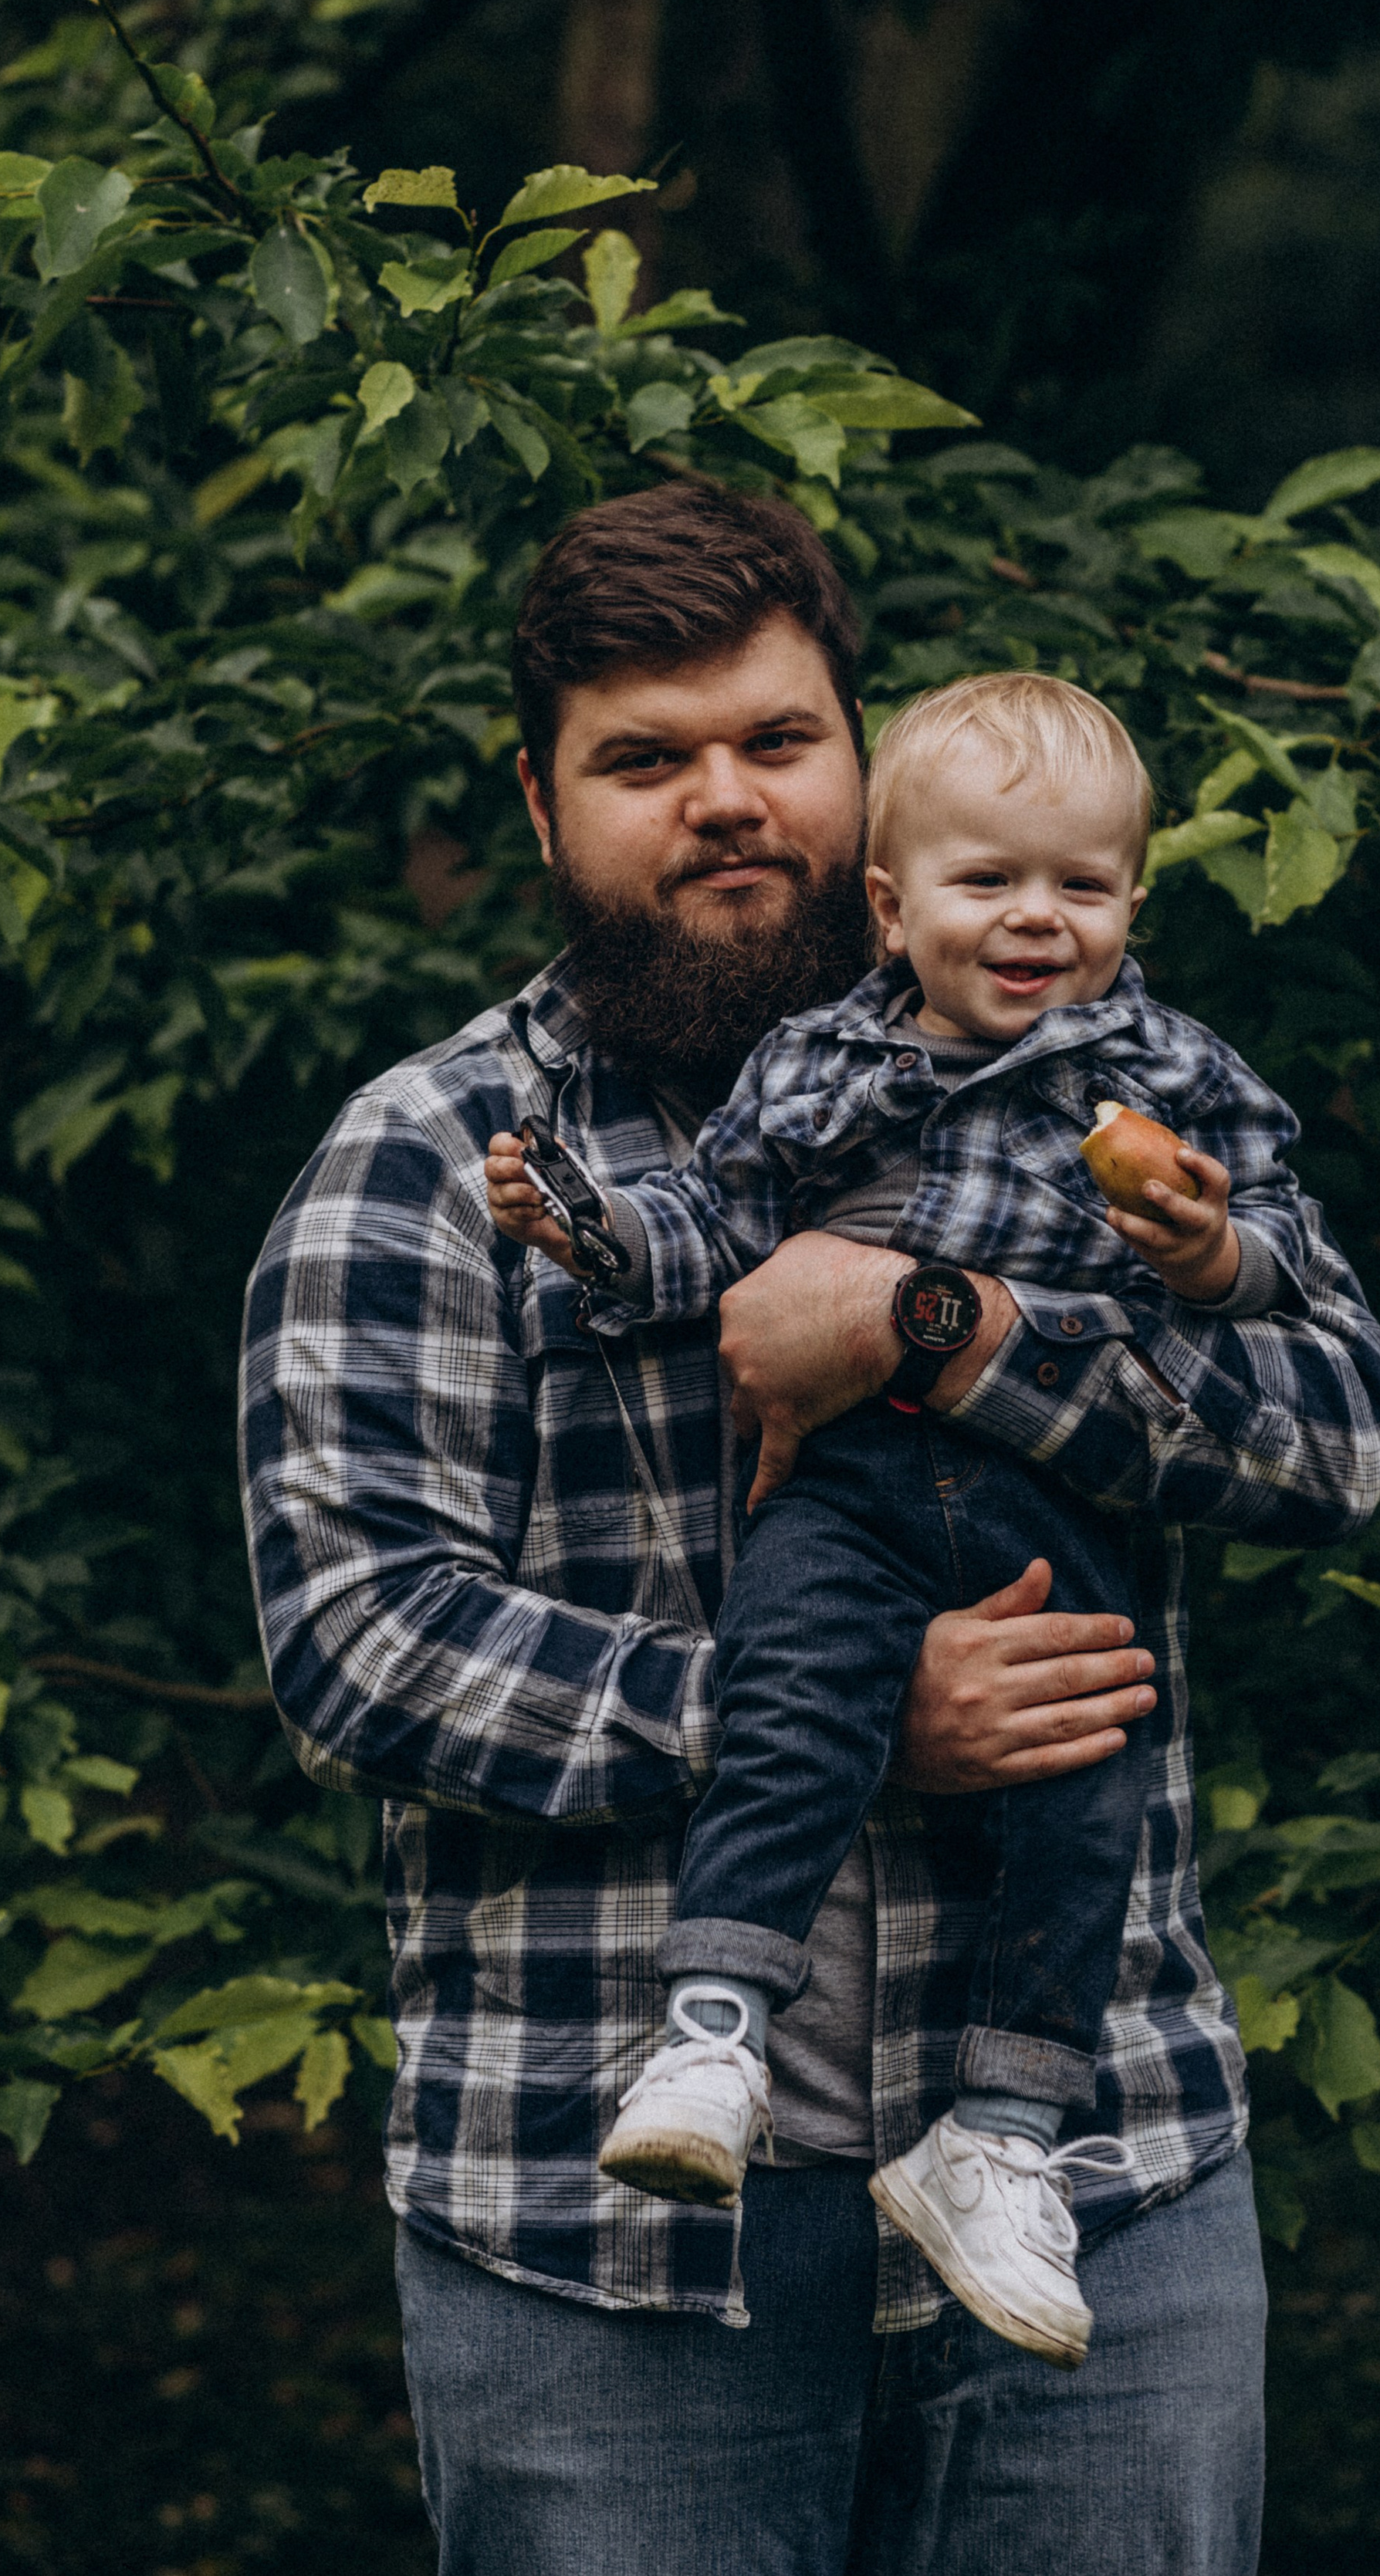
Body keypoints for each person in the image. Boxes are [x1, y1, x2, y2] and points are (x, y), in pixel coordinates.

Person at [238, 478, 1380, 2576]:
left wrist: (944, 1327)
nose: (722, 802)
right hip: (610, 2220)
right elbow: (363, 1635)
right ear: (542, 795)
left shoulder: (1123, 1095)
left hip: (1104, 2178)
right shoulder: (433, 1160)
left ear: (861, 761)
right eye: (645, 759)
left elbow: (1330, 1436)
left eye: (772, 738)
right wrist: (855, 1718)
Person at [482, 671, 1317, 2373]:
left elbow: (1289, 1301)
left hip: (1041, 1510)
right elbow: (704, 1228)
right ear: (892, 902)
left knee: (1085, 1813)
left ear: (1131, 902)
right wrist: (582, 1229)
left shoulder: (1175, 1077)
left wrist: (1204, 1249)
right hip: (843, 1495)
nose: (1035, 920)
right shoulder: (817, 1062)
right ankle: (710, 2031)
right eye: (987, 884)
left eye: (1079, 888)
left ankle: (997, 2137)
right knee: (788, 1712)